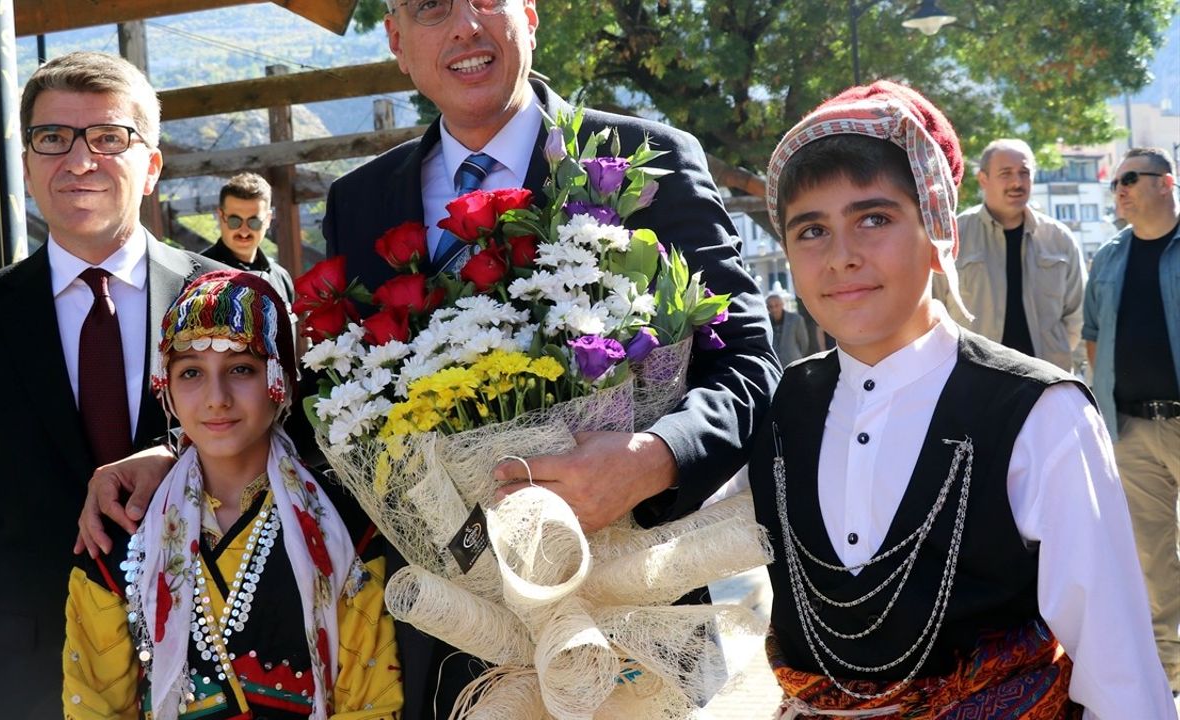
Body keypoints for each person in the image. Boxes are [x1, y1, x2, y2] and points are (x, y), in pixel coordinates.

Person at [78, 0, 779, 715]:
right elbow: (338, 409)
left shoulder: (638, 160)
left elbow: (750, 364)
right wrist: (185, 454)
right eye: (431, 8)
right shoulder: (361, 202)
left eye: (485, 2)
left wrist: (650, 458)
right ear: (398, 42)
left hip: (638, 625)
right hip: (447, 644)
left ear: (528, 14)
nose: (464, 28)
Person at [749, 81, 1173, 718]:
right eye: (810, 230)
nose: (841, 257)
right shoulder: (777, 407)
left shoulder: (1041, 414)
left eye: (874, 219)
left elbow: (1118, 671)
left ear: (938, 230)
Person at [0, 51, 221, 720]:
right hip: (34, 686)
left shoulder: (223, 297)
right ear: (26, 165)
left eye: (109, 138)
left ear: (153, 168)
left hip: (223, 670)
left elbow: (291, 476)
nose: (78, 160)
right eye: (52, 138)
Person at [62, 270, 401, 720]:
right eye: (191, 373)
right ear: (165, 387)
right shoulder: (124, 532)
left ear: (280, 380)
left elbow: (372, 703)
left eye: (241, 369)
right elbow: (95, 705)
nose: (216, 398)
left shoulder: (347, 523)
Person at [1083, 146, 1180, 695]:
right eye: (1115, 181)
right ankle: (1167, 680)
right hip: (1133, 430)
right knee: (1151, 561)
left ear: (1166, 183)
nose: (1118, 188)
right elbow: (1093, 334)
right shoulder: (1110, 256)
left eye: (1130, 178)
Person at [935, 138, 1085, 372]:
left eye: (1024, 173)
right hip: (973, 383)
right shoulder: (953, 237)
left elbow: (1077, 316)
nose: (1017, 182)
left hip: (1046, 385)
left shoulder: (1059, 239)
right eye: (1006, 173)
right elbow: (932, 313)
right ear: (983, 179)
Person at [202, 172, 296, 308]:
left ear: (268, 219)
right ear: (221, 216)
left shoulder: (281, 278)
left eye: (254, 222)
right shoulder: (199, 276)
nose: (244, 232)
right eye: (235, 221)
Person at [767, 290, 810, 365]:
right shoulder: (766, 321)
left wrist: (798, 356)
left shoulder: (796, 319)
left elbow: (804, 342)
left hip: (794, 362)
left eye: (776, 305)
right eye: (771, 306)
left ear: (782, 304)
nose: (774, 309)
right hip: (775, 364)